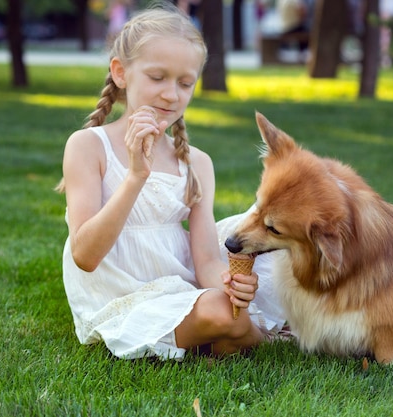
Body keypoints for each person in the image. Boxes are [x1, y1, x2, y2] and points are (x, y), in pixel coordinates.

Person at [58, 6, 287, 360]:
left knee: (280, 246)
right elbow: (85, 256)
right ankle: (255, 336)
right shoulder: (88, 146)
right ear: (120, 72)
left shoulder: (197, 163)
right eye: (157, 77)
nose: (171, 94)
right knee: (217, 311)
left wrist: (229, 283)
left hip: (180, 282)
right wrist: (136, 176)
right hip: (120, 294)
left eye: (184, 83)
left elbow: (207, 260)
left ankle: (223, 334)